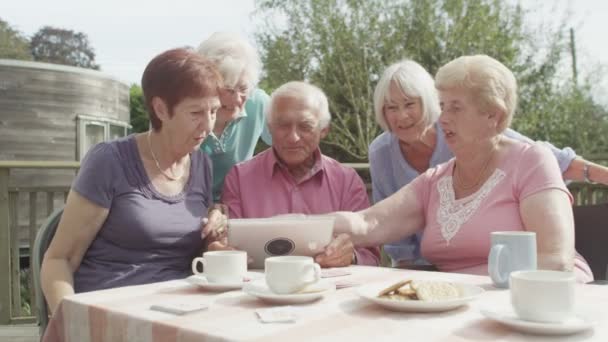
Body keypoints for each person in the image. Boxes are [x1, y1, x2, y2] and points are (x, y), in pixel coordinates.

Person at [334, 55, 593, 282]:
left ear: (493, 115)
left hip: (540, 304)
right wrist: (299, 226)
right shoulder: (435, 180)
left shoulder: (532, 161)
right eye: (443, 106)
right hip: (461, 308)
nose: (443, 118)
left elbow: (554, 261)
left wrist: (458, 290)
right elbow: (367, 222)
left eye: (455, 107)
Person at [41, 48, 225, 314]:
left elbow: (194, 246)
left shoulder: (202, 164)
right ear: (161, 108)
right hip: (111, 309)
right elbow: (59, 259)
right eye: (196, 113)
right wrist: (69, 322)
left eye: (214, 111)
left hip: (178, 311)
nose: (208, 126)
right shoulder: (109, 161)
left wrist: (215, 225)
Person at [219, 81, 380, 267]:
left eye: (305, 126)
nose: (293, 137)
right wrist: (223, 251)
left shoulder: (346, 181)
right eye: (283, 125)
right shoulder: (239, 178)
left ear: (324, 130)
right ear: (269, 127)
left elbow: (371, 257)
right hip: (257, 291)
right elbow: (225, 246)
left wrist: (350, 257)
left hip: (329, 291)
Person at [196, 32, 272, 201]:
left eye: (243, 89)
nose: (237, 99)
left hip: (238, 203)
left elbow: (289, 144)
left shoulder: (258, 102)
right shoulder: (185, 110)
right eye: (228, 89)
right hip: (187, 204)